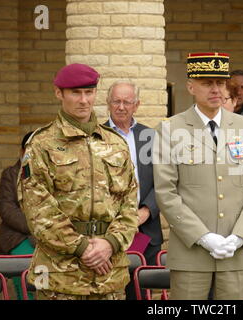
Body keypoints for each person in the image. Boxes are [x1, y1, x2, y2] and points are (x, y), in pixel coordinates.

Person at [17, 63, 139, 300]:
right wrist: (82, 248)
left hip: (109, 274)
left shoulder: (115, 143)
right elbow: (37, 209)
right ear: (59, 93)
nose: (84, 100)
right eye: (75, 93)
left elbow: (129, 202)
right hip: (61, 276)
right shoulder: (42, 144)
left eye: (89, 92)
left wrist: (110, 244)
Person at [153, 52, 243, 300]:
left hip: (234, 252)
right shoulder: (171, 129)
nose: (215, 89)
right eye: (207, 83)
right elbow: (166, 192)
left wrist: (240, 236)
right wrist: (202, 237)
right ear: (191, 86)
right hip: (191, 252)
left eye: (220, 83)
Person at [104, 80, 163, 299]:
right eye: (116, 101)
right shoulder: (97, 136)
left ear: (136, 105)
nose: (121, 107)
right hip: (109, 231)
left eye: (127, 102)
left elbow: (163, 181)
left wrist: (146, 211)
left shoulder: (149, 137)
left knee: (141, 292)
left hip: (146, 230)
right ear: (108, 104)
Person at [0, 131, 35, 300]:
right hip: (18, 237)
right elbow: (6, 209)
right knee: (26, 285)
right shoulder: (10, 174)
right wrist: (34, 227)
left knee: (42, 286)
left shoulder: (50, 174)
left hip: (43, 238)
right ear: (21, 152)